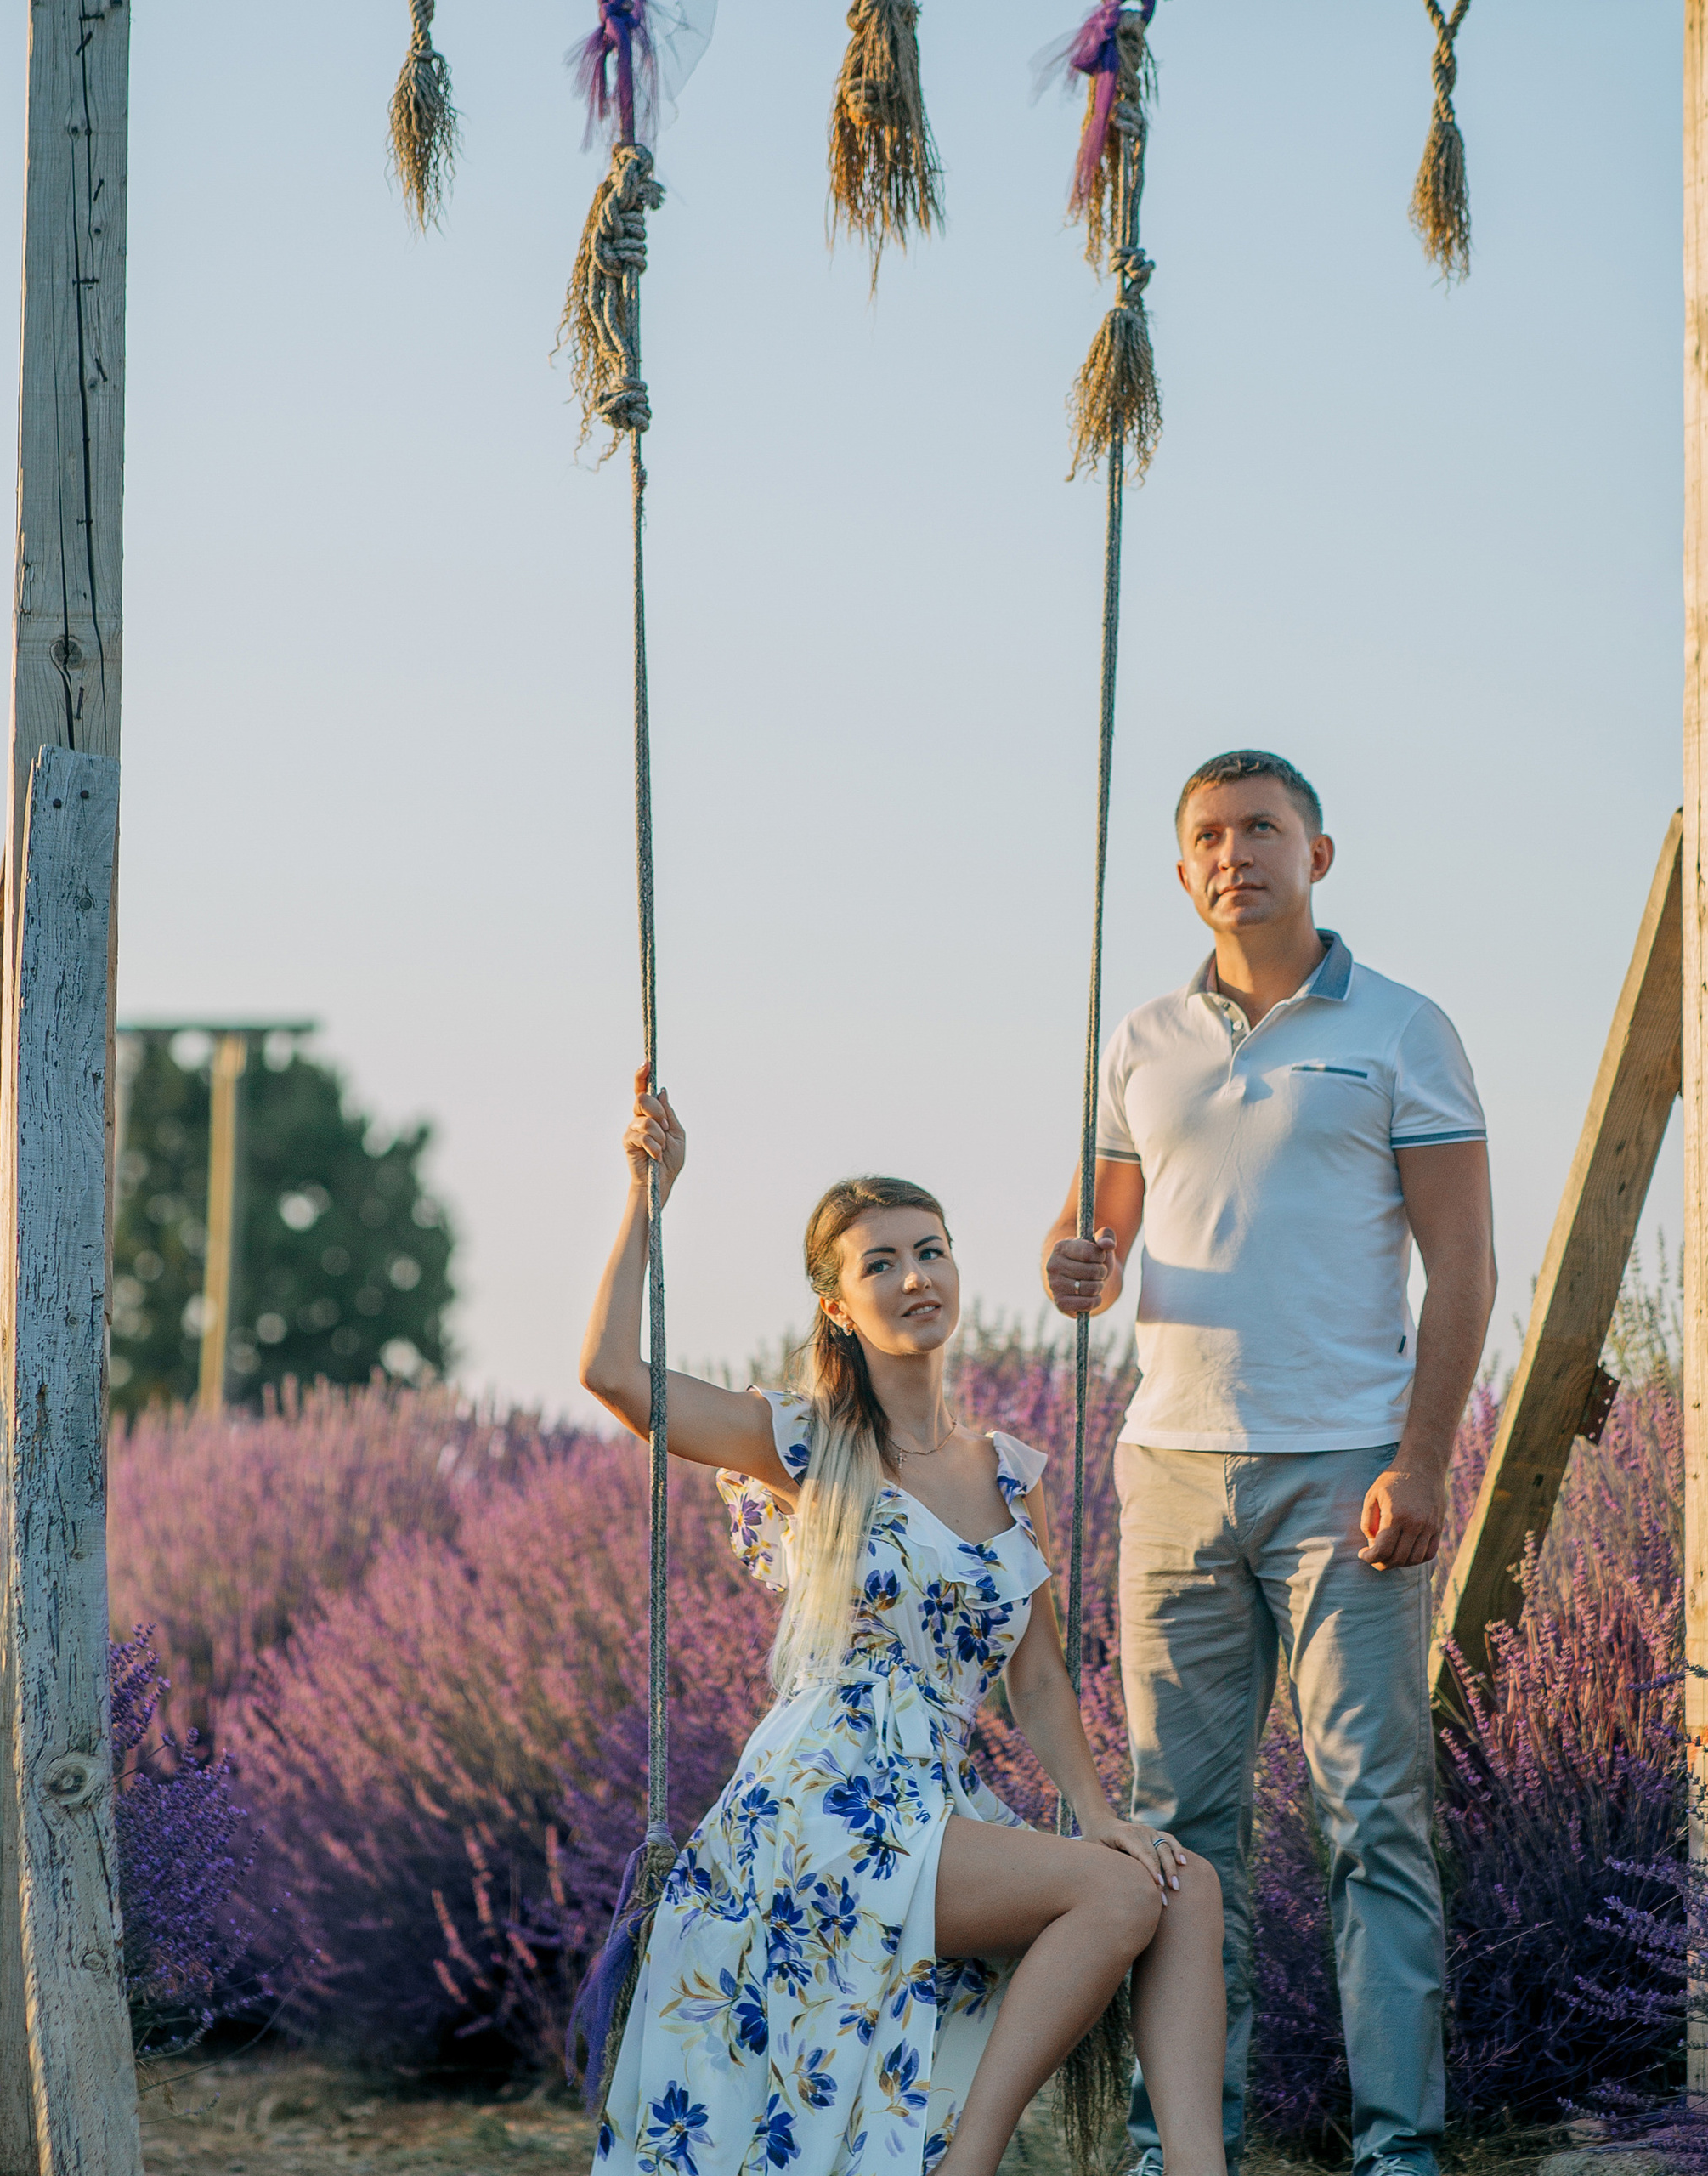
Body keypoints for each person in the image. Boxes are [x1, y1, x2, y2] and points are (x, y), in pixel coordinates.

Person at [579, 1068, 1228, 2176]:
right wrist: (650, 1193)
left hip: (930, 1804)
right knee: (1118, 1895)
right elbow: (611, 1377)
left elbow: (1036, 1685)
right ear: (838, 1305)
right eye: (880, 1262)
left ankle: (1197, 2169)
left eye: (931, 1249)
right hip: (819, 1809)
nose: (916, 1275)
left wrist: (1092, 1809)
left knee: (1182, 1881)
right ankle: (968, 2164)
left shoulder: (1004, 1477)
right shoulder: (812, 1446)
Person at [1040, 751, 1496, 2176]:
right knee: (1179, 1837)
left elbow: (1467, 1268)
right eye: (1209, 837)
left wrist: (1423, 1461)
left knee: (1372, 1819)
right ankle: (1182, 2146)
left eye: (1262, 829)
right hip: (1169, 1470)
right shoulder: (1141, 1040)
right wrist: (1069, 1265)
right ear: (1182, 871)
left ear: (1320, 853)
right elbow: (1092, 1249)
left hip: (1348, 1471)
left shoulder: (1406, 1029)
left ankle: (1399, 2150)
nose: (1236, 852)